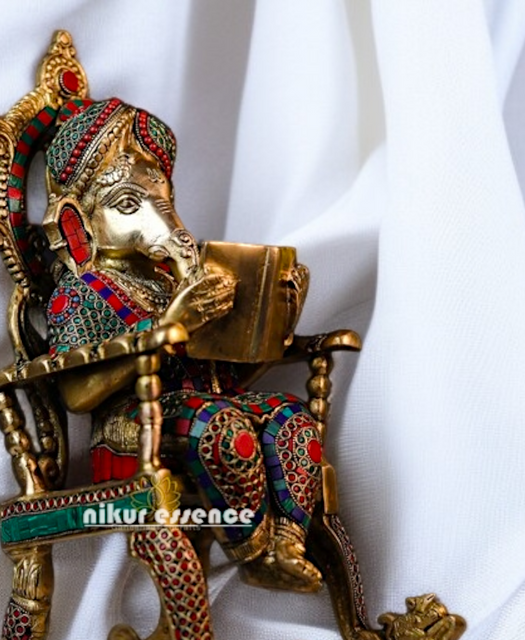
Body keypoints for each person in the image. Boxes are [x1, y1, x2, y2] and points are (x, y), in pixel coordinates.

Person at [42, 96, 325, 592]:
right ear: (77, 222)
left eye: (163, 201)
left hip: (202, 409)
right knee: (219, 424)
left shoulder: (170, 281)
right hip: (135, 430)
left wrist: (278, 323)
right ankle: (252, 550)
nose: (164, 221)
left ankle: (286, 542)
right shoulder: (81, 292)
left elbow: (223, 378)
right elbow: (76, 394)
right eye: (127, 205)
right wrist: (169, 326)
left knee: (290, 417)